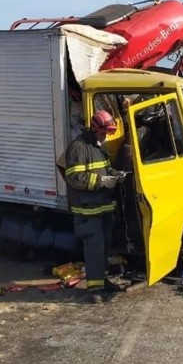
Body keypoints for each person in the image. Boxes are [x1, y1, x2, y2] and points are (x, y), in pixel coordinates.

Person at [65, 110, 127, 304]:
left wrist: (116, 174)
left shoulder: (99, 147)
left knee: (105, 247)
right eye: (105, 131)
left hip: (103, 208)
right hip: (88, 211)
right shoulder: (78, 147)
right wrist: (103, 181)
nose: (107, 134)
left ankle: (103, 280)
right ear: (96, 128)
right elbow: (75, 178)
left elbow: (105, 168)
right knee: (94, 249)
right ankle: (95, 289)